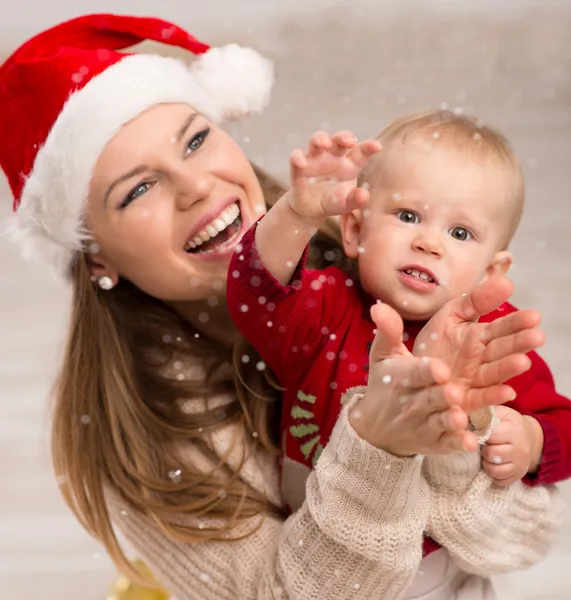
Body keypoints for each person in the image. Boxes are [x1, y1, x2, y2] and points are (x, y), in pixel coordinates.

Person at [1, 14, 564, 600]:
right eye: (139, 189)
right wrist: (377, 447)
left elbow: (523, 539)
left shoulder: (394, 263)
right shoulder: (137, 432)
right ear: (97, 260)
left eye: (195, 140)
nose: (195, 187)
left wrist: (463, 433)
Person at [227, 112, 571, 554]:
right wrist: (296, 214)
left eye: (460, 232)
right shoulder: (327, 306)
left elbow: (564, 425)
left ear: (491, 270)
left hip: (439, 571)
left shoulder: (489, 340)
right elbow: (258, 299)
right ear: (354, 229)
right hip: (321, 547)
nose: (430, 243)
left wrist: (532, 441)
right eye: (408, 215)